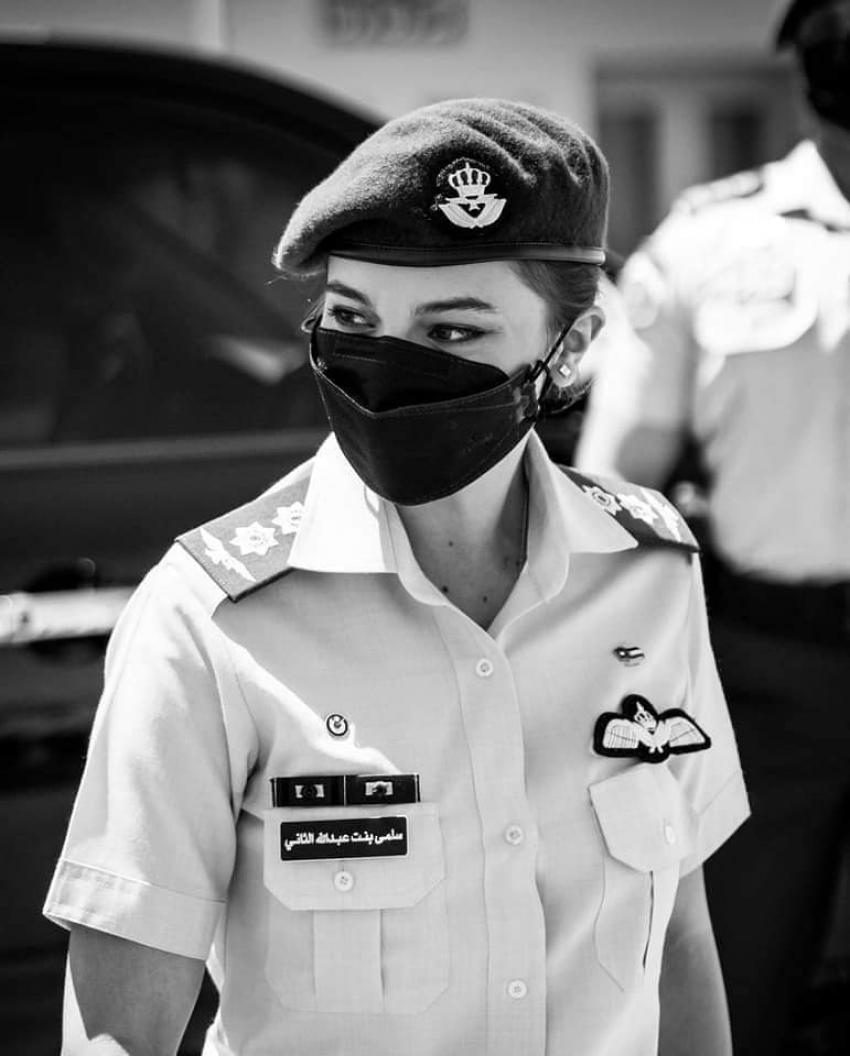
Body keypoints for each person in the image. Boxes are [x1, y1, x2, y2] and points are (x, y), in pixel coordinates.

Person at [44, 98, 748, 1056]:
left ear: (573, 349)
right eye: (353, 319)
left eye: (452, 332)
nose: (391, 367)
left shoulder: (651, 577)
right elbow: (118, 1032)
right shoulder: (208, 615)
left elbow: (681, 941)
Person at [576, 3, 850, 1052]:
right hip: (771, 678)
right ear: (807, 72)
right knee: (733, 987)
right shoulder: (711, 242)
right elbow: (618, 490)